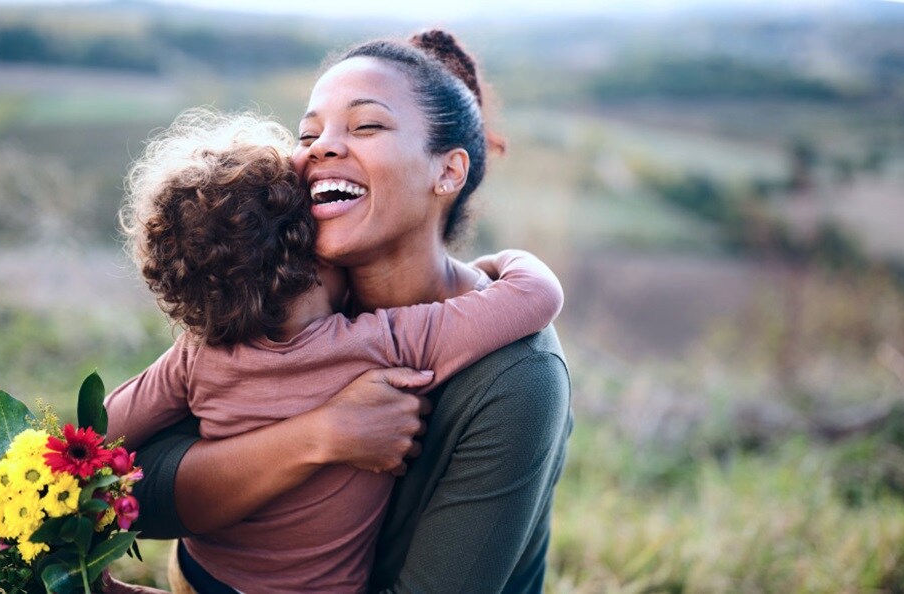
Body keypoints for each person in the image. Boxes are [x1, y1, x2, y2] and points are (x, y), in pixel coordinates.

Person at [114, 29, 573, 594]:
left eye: (367, 125)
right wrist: (321, 435)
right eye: (309, 133)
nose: (321, 148)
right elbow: (138, 494)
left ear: (448, 172)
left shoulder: (517, 374)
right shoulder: (279, 295)